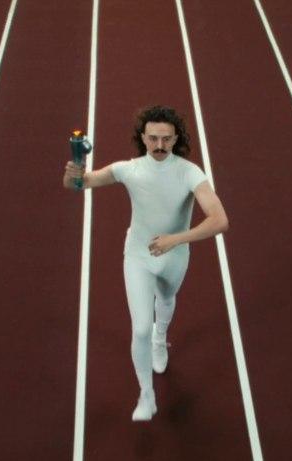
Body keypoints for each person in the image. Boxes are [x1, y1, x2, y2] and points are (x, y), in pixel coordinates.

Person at [62, 105, 229, 421]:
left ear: (176, 138)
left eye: (166, 138)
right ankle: (146, 394)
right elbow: (80, 185)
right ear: (142, 137)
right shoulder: (129, 169)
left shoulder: (190, 173)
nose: (160, 145)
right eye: (153, 138)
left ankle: (160, 338)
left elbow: (220, 220)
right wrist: (73, 175)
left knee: (166, 299)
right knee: (139, 328)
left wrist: (174, 239)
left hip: (174, 256)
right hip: (138, 256)